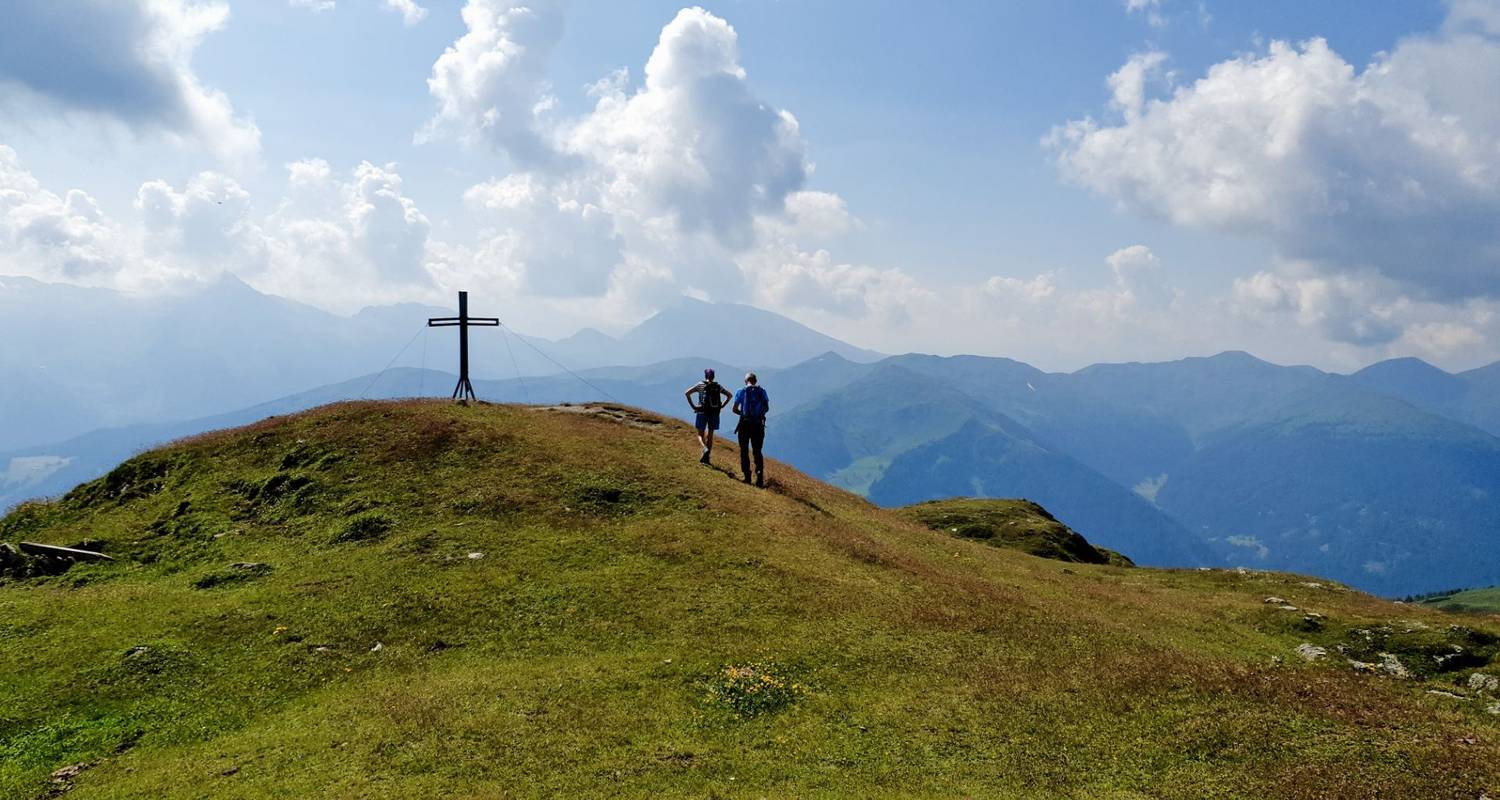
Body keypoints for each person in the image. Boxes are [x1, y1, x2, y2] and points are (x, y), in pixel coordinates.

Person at [684, 368, 732, 464]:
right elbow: (729, 395)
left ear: (705, 376)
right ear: (713, 376)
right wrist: (721, 406)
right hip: (714, 413)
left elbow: (687, 393)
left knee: (700, 434)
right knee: (710, 435)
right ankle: (707, 458)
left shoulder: (700, 385)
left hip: (702, 412)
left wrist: (693, 406)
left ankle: (704, 447)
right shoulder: (718, 386)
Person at [732, 372, 770, 487]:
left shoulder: (741, 391)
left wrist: (743, 415)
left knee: (744, 450)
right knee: (757, 451)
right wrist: (759, 415)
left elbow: (734, 409)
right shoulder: (762, 391)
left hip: (744, 425)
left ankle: (747, 476)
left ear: (745, 381)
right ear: (755, 381)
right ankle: (759, 477)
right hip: (758, 425)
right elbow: (767, 407)